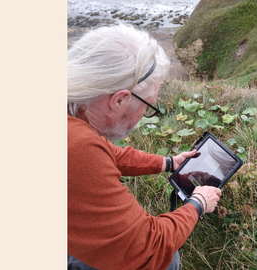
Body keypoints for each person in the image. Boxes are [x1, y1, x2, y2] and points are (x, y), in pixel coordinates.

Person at [67, 23, 222, 270]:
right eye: (148, 106)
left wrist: (169, 163)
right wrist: (198, 204)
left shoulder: (74, 123)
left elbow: (109, 153)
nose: (144, 115)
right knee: (167, 260)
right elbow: (151, 247)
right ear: (119, 100)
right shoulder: (76, 147)